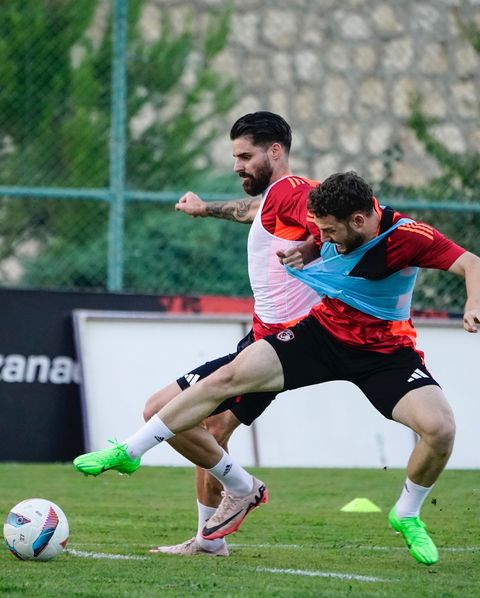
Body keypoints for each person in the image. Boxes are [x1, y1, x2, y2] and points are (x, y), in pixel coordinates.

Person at [74, 171, 480, 566]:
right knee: (226, 378)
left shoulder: (408, 237)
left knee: (440, 428)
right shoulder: (329, 224)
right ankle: (131, 451)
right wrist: (307, 248)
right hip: (322, 335)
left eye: (328, 232)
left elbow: (472, 264)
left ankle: (407, 513)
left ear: (359, 221)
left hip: (385, 354)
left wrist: (473, 302)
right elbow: (300, 232)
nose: (322, 238)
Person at [74, 111, 322, 557]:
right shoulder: (274, 199)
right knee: (210, 431)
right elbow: (251, 211)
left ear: (275, 151)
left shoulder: (294, 190)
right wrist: (203, 208)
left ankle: (242, 488)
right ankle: (211, 540)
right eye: (234, 157)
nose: (236, 166)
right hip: (263, 338)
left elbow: (327, 220)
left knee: (165, 411)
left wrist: (310, 246)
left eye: (245, 156)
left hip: (281, 347)